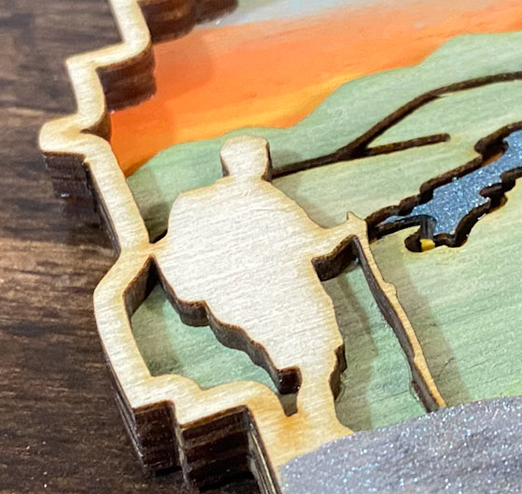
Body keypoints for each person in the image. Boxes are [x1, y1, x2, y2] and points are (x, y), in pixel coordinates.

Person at [151, 135, 442, 456]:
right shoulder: (260, 198)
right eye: (257, 159)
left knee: (310, 360)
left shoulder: (194, 203)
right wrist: (347, 232)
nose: (260, 164)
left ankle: (319, 426)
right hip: (282, 294)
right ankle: (321, 428)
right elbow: (313, 245)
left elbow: (172, 254)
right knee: (316, 356)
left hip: (242, 302)